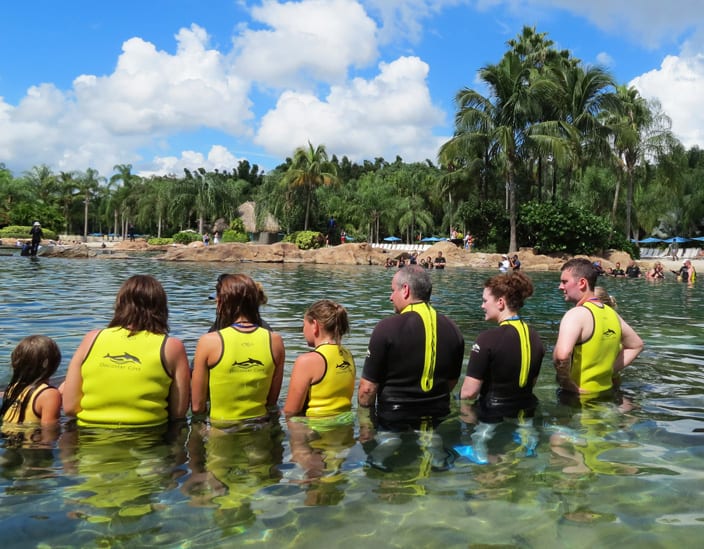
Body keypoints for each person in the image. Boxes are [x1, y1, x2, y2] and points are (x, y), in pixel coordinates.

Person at [62, 275, 191, 427]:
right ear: (161, 308)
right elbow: (179, 413)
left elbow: (70, 407)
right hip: (148, 440)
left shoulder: (91, 339)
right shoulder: (172, 347)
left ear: (120, 304)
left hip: (88, 438)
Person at [358, 265, 465, 426]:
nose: (390, 297)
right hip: (438, 417)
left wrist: (366, 424)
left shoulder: (386, 327)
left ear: (405, 290)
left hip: (394, 420)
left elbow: (367, 390)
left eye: (393, 290)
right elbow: (451, 382)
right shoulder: (453, 328)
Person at [192, 274, 285, 425]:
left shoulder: (208, 341)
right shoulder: (275, 341)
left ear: (221, 303)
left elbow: (197, 407)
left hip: (221, 428)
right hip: (260, 426)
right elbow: (271, 401)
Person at [460, 272, 545, 422]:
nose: (482, 306)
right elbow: (531, 382)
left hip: (491, 413)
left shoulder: (487, 338)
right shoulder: (535, 337)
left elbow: (469, 393)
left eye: (485, 301)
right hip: (527, 410)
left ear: (500, 302)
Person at [554, 258, 644, 395]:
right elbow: (636, 345)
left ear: (582, 283)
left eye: (564, 282)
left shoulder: (576, 314)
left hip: (577, 399)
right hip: (606, 395)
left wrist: (567, 384)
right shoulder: (613, 314)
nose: (560, 287)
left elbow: (561, 356)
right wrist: (609, 370)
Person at [284, 299, 355, 419]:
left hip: (316, 429)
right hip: (345, 425)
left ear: (315, 325)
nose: (303, 331)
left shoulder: (307, 361)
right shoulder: (348, 355)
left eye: (304, 325)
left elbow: (291, 411)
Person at [1, 335, 62, 429]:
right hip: (31, 442)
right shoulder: (50, 395)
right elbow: (49, 431)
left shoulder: (13, 388)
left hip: (8, 441)